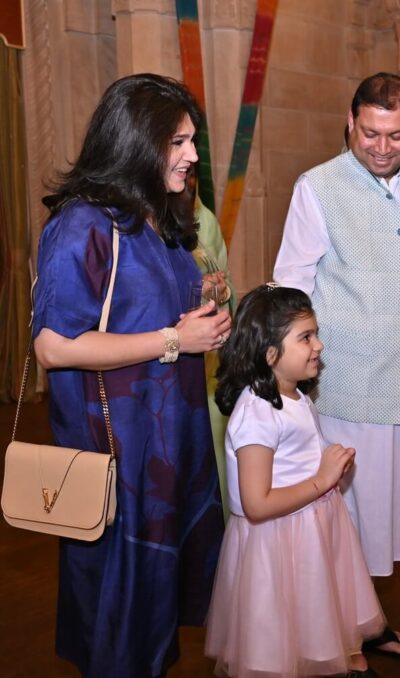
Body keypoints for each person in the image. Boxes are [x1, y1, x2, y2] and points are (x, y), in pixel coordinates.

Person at [32, 73, 231, 677]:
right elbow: (54, 346)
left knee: (155, 611)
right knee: (120, 614)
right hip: (118, 452)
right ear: (136, 142)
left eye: (192, 140)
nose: (193, 155)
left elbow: (143, 311)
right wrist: (177, 338)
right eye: (178, 141)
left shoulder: (156, 219)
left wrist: (203, 312)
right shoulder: (83, 225)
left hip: (168, 449)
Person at [273, 71, 400, 659]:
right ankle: (338, 639)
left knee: (387, 524)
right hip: (347, 386)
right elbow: (291, 286)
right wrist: (289, 375)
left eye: (397, 136)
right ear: (351, 122)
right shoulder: (317, 187)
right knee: (342, 520)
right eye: (371, 133)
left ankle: (368, 620)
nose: (382, 148)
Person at [205, 285, 387, 677]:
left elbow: (302, 458)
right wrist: (322, 481)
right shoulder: (256, 415)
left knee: (313, 612)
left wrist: (333, 468)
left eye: (315, 333)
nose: (319, 345)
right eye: (305, 337)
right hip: (276, 540)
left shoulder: (297, 397)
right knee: (279, 628)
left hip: (311, 529)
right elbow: (256, 504)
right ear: (269, 353)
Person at [185, 163, 236, 518]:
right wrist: (193, 291)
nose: (187, 182)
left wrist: (220, 289)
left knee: (216, 447)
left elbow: (227, 280)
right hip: (172, 352)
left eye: (192, 175)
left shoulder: (205, 219)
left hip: (209, 360)